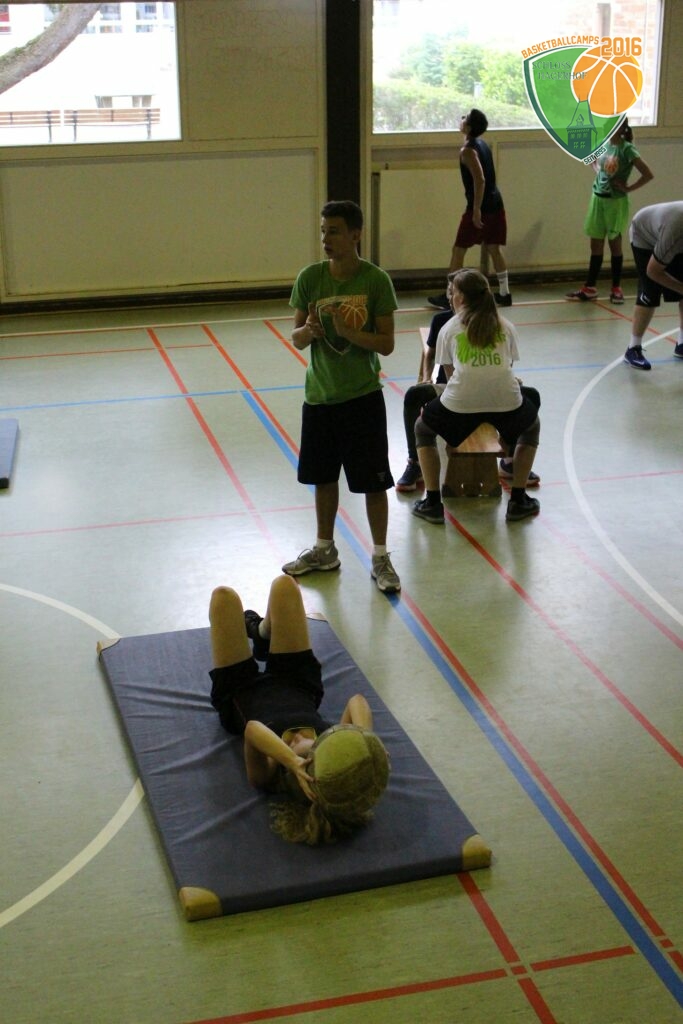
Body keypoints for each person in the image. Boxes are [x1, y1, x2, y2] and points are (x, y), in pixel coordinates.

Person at [208, 574, 391, 845]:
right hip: (296, 682)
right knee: (285, 586)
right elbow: (357, 701)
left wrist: (291, 761)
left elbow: (252, 730)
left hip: (239, 689)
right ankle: (262, 634)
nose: (296, 738)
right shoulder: (329, 745)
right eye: (307, 742)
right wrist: (365, 741)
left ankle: (263, 634)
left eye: (292, 746)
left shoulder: (268, 775)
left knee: (223, 598)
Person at [283, 199, 401, 594]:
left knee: (373, 483)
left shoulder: (375, 281)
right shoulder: (310, 278)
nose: (325, 239)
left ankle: (380, 556)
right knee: (323, 478)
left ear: (355, 235)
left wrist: (349, 332)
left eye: (333, 231)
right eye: (323, 231)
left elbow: (387, 344)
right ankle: (324, 549)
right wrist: (310, 331)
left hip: (362, 398)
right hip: (319, 398)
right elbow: (296, 337)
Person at [412, 269, 541, 524]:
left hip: (461, 403)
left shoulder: (449, 328)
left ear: (461, 298)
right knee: (532, 426)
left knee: (422, 429)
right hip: (505, 400)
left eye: (453, 293)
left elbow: (449, 374)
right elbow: (507, 367)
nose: (450, 297)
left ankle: (432, 502)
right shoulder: (505, 326)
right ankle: (518, 499)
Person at [395, 302, 541, 492]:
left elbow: (504, 362)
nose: (452, 298)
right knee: (414, 395)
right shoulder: (443, 321)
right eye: (449, 293)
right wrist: (425, 378)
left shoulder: (493, 323)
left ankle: (509, 459)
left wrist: (509, 380)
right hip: (450, 387)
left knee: (531, 395)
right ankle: (414, 462)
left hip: (485, 389)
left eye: (455, 293)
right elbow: (430, 354)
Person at [428, 108, 512, 311]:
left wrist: (476, 210)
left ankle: (449, 295)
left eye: (465, 118)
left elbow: (480, 180)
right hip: (496, 203)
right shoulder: (482, 144)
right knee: (494, 249)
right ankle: (504, 293)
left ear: (469, 127)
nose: (461, 119)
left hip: (482, 207)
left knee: (458, 250)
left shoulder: (467, 151)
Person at [566, 119, 653, 304]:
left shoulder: (627, 149)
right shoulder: (603, 144)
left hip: (615, 202)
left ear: (621, 127)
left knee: (614, 244)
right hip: (598, 199)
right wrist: (597, 169)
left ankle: (616, 288)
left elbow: (648, 174)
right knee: (595, 244)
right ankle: (590, 287)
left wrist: (628, 188)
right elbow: (591, 161)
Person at [623, 201, 683, 371]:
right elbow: (653, 271)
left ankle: (682, 343)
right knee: (649, 292)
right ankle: (633, 348)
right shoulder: (677, 231)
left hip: (669, 233)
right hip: (644, 235)